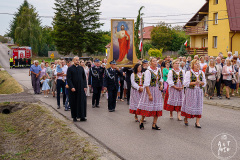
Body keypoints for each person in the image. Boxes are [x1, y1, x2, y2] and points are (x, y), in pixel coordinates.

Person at [136, 57, 163, 130]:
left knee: (157, 107)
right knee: (147, 107)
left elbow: (161, 79)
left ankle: (154, 124)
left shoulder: (158, 70)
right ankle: (141, 121)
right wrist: (149, 94)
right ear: (150, 63)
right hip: (150, 90)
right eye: (153, 61)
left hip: (157, 90)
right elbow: (146, 84)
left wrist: (161, 85)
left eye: (156, 61)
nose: (155, 62)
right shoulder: (148, 71)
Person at [181, 59, 206, 128]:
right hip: (191, 91)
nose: (197, 65)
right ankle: (186, 118)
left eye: (198, 64)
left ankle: (197, 122)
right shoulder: (189, 72)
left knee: (198, 105)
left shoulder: (202, 73)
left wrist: (201, 83)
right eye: (196, 64)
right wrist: (195, 83)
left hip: (199, 91)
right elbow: (185, 83)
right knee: (189, 105)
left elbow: (204, 83)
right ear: (192, 65)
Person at [67, 56, 87, 122]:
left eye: (78, 60)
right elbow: (69, 79)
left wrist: (85, 86)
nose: (77, 61)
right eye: (76, 60)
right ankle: (74, 117)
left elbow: (84, 78)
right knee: (74, 102)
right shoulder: (70, 69)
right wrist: (72, 87)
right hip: (74, 88)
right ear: (73, 61)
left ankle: (82, 116)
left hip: (81, 88)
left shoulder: (81, 68)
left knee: (82, 102)